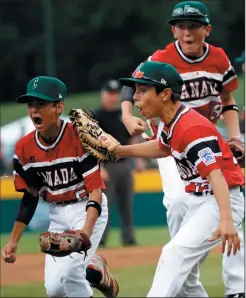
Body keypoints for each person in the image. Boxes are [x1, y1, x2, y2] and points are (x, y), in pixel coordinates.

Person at [120, 2, 245, 297]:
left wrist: (236, 137)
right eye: (180, 26)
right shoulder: (162, 59)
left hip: (200, 139)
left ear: (207, 29)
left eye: (193, 25)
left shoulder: (217, 58)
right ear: (173, 29)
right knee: (177, 203)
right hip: (170, 141)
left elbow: (227, 98)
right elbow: (132, 85)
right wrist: (125, 121)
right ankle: (185, 270)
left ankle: (237, 287)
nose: (187, 32)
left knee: (226, 203)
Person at [1, 76, 119, 298]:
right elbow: (30, 196)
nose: (34, 110)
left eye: (41, 104)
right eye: (31, 104)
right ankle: (96, 268)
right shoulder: (24, 148)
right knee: (55, 290)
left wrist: (86, 230)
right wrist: (13, 241)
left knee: (71, 275)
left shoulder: (78, 137)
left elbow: (95, 189)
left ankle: (89, 263)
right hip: (57, 215)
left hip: (87, 208)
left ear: (58, 107)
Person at [94, 79, 144, 246]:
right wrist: (99, 167)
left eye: (115, 94)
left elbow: (131, 138)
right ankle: (100, 239)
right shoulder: (96, 116)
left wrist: (138, 160)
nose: (113, 97)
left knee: (127, 204)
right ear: (103, 95)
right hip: (106, 165)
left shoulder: (122, 116)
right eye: (110, 94)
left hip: (124, 165)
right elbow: (92, 144)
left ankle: (128, 239)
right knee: (104, 205)